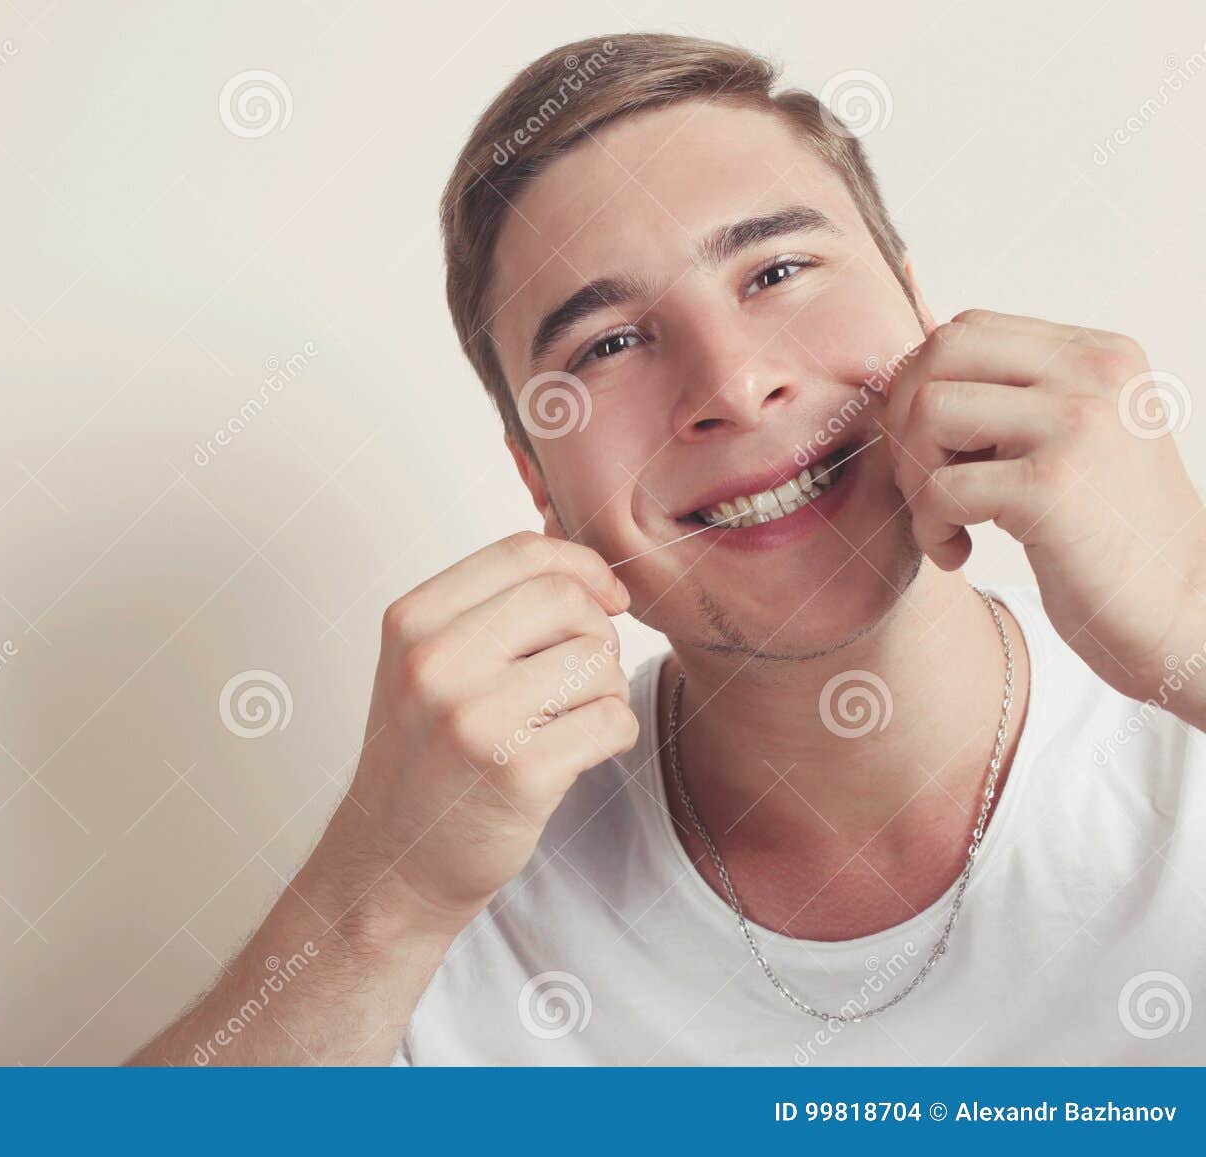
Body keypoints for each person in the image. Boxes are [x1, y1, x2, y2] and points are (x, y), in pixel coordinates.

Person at [134, 33, 1206, 1065]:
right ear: (537, 484)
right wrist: (378, 903)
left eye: (777, 271)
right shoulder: (448, 894)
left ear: (919, 308)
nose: (733, 385)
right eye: (606, 345)